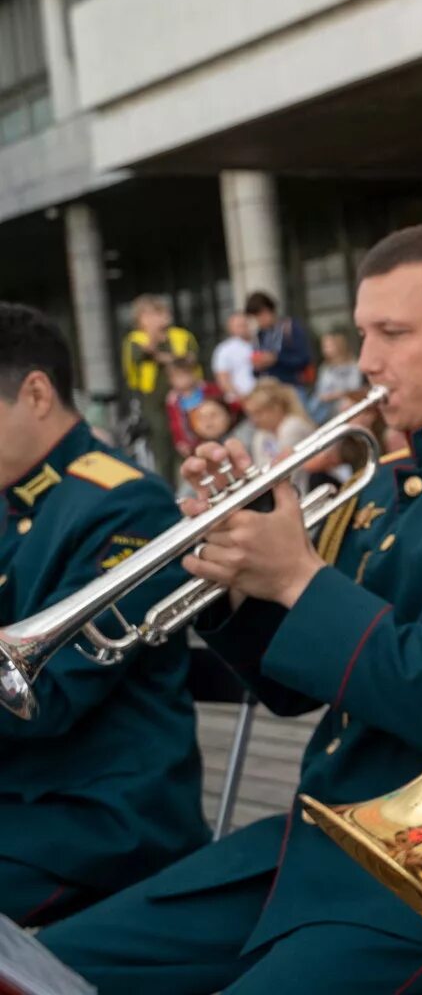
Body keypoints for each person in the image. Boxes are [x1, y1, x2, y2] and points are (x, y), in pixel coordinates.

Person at [40, 225, 422, 995]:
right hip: (324, 840)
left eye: (393, 333)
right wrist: (236, 581)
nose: (366, 362)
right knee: (45, 968)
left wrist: (300, 581)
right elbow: (293, 691)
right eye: (362, 334)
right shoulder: (384, 479)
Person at [0, 303, 208, 926]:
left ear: (36, 392)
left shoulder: (125, 505)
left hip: (104, 819)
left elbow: (47, 699)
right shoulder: (11, 499)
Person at [120, 295, 197, 489]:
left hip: (185, 397)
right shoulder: (134, 340)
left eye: (158, 313)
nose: (155, 319)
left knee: (190, 442)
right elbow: (141, 358)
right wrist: (155, 340)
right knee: (162, 449)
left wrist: (163, 357)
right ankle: (169, 491)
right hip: (153, 401)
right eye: (148, 315)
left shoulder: (182, 336)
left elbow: (190, 360)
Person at [245, 291, 315, 396]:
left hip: (292, 388)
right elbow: (255, 372)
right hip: (269, 391)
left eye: (260, 315)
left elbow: (303, 358)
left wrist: (276, 359)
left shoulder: (289, 328)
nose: (259, 320)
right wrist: (258, 365)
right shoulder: (260, 335)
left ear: (269, 310)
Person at [243, 379, 316, 474]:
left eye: (259, 413)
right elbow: (261, 470)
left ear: (276, 408)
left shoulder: (292, 426)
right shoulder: (261, 435)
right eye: (251, 414)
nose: (254, 420)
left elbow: (294, 473)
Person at [311, 331, 367, 422]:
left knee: (346, 405)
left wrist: (336, 395)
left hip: (348, 404)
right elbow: (320, 391)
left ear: (339, 345)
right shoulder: (325, 368)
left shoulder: (353, 365)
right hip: (327, 408)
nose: (325, 350)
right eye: (324, 346)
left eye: (329, 346)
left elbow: (355, 388)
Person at [210, 311, 258, 402]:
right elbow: (223, 380)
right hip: (239, 401)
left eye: (245, 324)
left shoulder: (260, 343)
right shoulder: (224, 350)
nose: (243, 328)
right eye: (239, 325)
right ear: (230, 328)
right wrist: (241, 397)